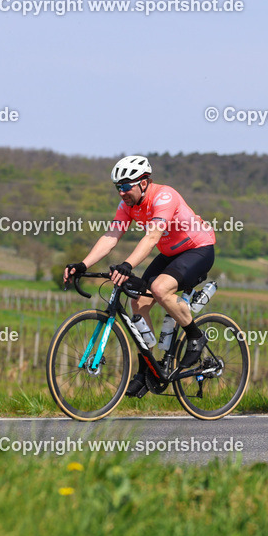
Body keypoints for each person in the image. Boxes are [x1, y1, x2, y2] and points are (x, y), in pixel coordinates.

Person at [63, 155, 216, 397]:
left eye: (125, 186)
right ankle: (149, 370)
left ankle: (196, 336)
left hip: (198, 248)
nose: (121, 192)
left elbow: (152, 237)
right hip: (170, 253)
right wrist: (83, 264)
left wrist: (127, 264)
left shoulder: (165, 196)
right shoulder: (128, 205)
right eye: (117, 187)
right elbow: (111, 236)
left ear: (143, 183)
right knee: (138, 301)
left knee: (159, 288)